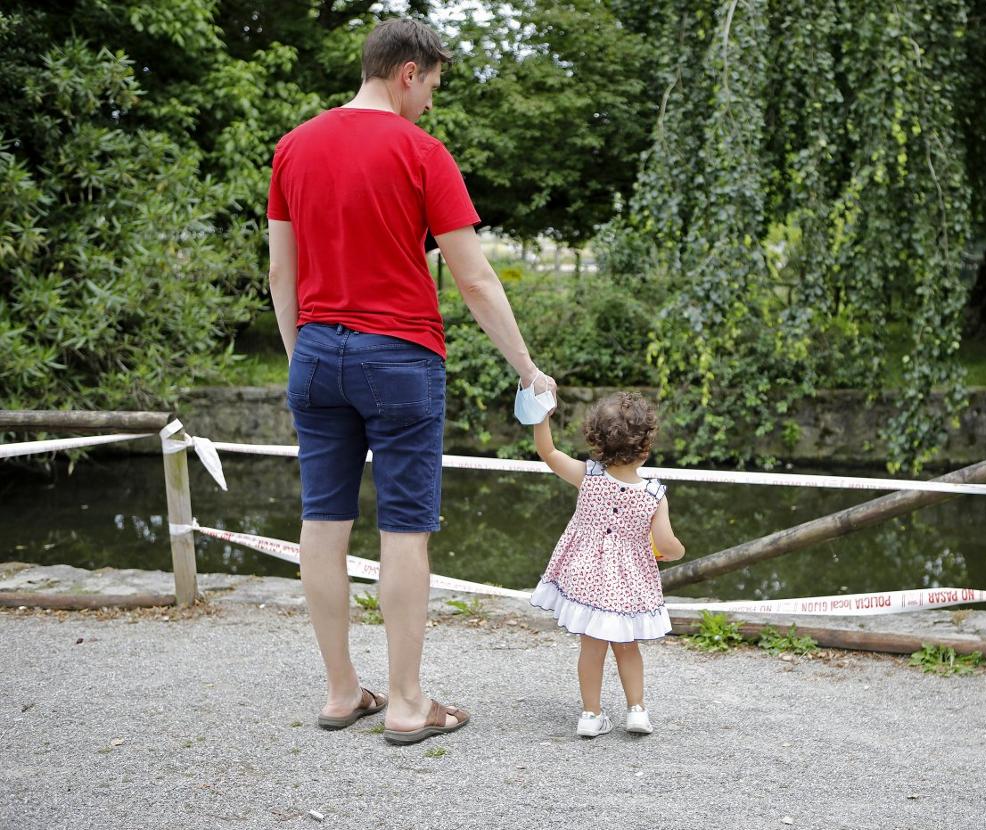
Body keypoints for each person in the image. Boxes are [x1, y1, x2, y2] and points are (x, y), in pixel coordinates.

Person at [266, 18, 554, 745]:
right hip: (399, 357)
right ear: (408, 72)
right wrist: (526, 366)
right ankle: (405, 703)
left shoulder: (293, 148)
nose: (431, 101)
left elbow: (281, 272)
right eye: (432, 85)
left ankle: (340, 694)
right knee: (404, 531)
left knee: (322, 525)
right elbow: (474, 277)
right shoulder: (422, 153)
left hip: (317, 352)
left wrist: (303, 356)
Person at [530, 392, 685, 737]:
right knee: (627, 647)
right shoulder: (653, 495)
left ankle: (590, 715)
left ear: (596, 440)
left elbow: (548, 452)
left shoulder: (589, 477)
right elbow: (666, 544)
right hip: (628, 585)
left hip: (585, 579)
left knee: (591, 646)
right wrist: (675, 552)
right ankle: (637, 711)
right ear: (646, 446)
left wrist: (541, 416)